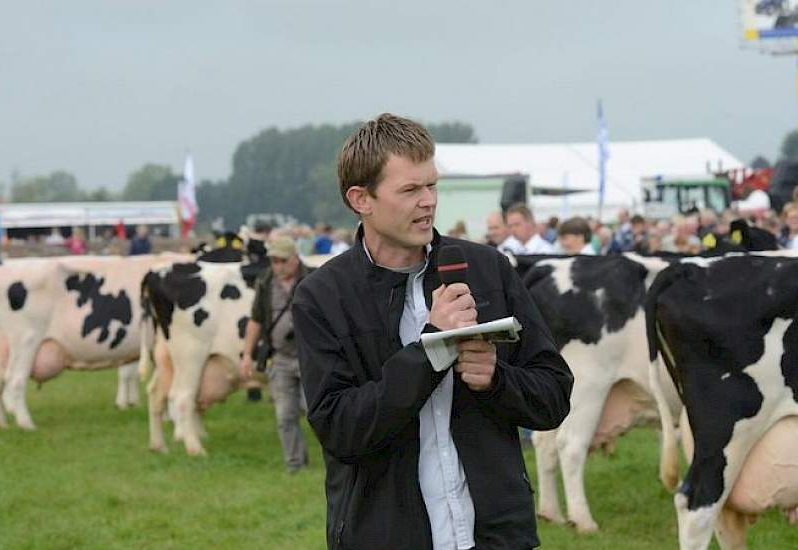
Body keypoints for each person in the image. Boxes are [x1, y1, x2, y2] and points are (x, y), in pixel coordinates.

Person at [292, 113, 572, 550]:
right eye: (409, 190)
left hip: (496, 536)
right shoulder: (322, 296)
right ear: (360, 199)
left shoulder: (487, 269)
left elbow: (554, 395)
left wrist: (498, 379)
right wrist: (431, 351)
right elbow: (341, 429)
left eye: (432, 185)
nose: (429, 202)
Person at [241, 236, 312, 473]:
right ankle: (295, 464)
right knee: (284, 416)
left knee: (314, 411)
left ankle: (338, 462)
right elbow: (256, 320)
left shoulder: (314, 278)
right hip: (280, 358)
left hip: (310, 357)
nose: (277, 266)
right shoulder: (265, 281)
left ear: (294, 259)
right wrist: (247, 354)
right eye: (273, 261)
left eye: (281, 260)